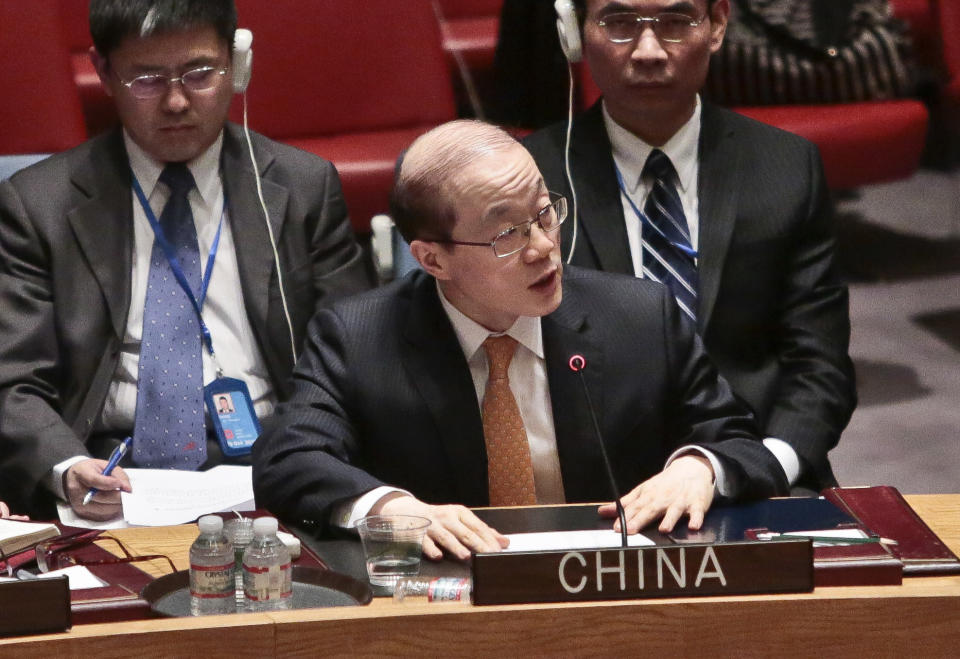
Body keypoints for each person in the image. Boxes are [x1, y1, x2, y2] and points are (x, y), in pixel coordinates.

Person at [253, 120, 788, 561]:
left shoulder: (639, 317)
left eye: (543, 213)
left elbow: (739, 440)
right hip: (454, 608)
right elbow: (289, 459)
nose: (542, 248)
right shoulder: (360, 337)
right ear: (432, 258)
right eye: (506, 234)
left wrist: (699, 468)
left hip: (616, 591)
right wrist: (390, 508)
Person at [0, 0, 371, 521]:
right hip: (108, 473)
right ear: (104, 70)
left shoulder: (300, 189)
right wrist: (63, 464)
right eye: (147, 79)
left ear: (236, 63)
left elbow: (352, 362)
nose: (176, 102)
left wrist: (308, 459)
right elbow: (11, 379)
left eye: (199, 74)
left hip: (276, 467)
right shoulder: (38, 204)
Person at [523, 0, 856, 493]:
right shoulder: (530, 178)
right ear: (575, 33)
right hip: (590, 487)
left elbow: (820, 368)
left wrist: (754, 470)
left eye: (676, 23)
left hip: (752, 470)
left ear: (717, 25)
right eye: (619, 24)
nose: (649, 51)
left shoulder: (787, 167)